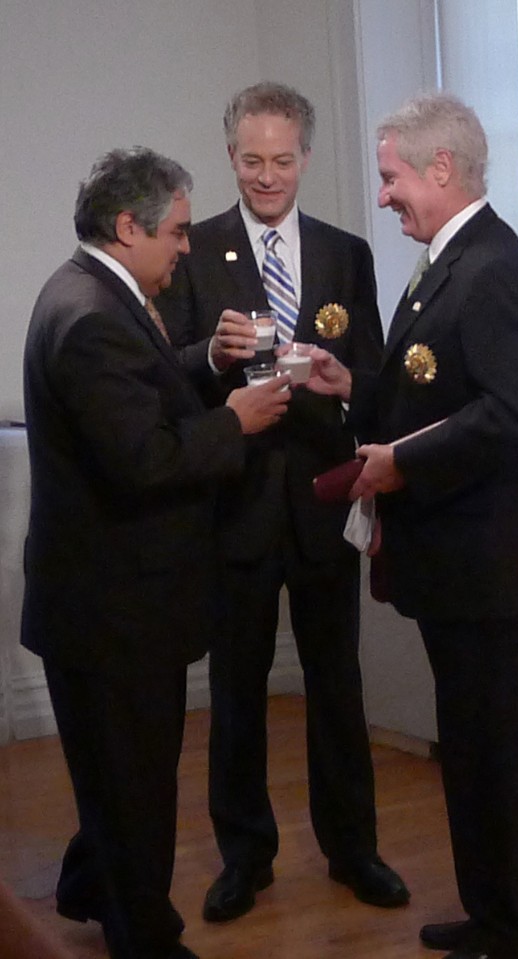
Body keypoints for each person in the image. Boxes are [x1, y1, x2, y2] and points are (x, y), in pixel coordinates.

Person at [305, 93, 518, 959]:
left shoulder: (492, 267)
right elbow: (431, 385)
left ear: (440, 169)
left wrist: (400, 463)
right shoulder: (445, 259)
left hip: (491, 565)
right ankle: (490, 913)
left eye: (391, 176)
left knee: (497, 755)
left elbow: (511, 412)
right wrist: (355, 388)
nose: (383, 196)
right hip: (455, 564)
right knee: (469, 748)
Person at [22, 146, 289, 959]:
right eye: (174, 232)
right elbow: (142, 459)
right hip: (118, 608)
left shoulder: (91, 290)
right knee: (134, 785)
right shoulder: (96, 313)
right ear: (128, 225)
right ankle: (146, 936)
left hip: (107, 604)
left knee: (118, 775)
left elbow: (143, 392)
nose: (185, 247)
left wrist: (205, 363)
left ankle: (91, 884)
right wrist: (234, 421)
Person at [157, 82, 409, 922]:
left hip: (323, 501)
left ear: (306, 156)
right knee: (236, 693)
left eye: (282, 159)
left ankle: (353, 848)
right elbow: (166, 382)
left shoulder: (346, 253)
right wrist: (209, 354)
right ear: (231, 157)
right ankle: (244, 856)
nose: (267, 176)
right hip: (233, 505)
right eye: (251, 160)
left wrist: (348, 385)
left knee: (339, 685)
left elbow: (370, 378)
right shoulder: (195, 251)